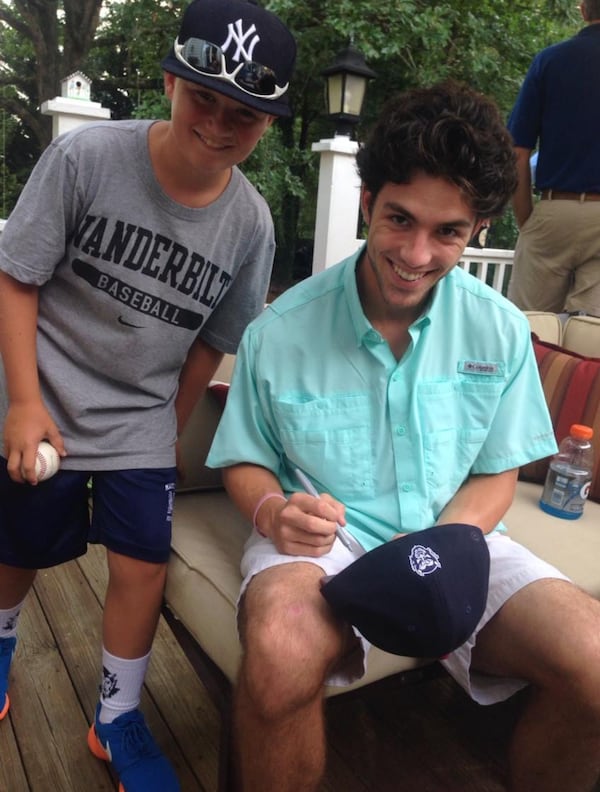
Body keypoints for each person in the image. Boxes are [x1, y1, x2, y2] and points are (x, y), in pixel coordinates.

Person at [206, 80, 600, 792]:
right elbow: (244, 457)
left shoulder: (500, 329)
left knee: (597, 660)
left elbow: (495, 472)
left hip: (456, 533)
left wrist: (437, 549)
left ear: (478, 228)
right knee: (280, 649)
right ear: (367, 204)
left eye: (447, 231)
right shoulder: (279, 331)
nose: (416, 254)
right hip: (326, 545)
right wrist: (272, 512)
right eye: (399, 219)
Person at [0, 0, 296, 789]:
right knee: (18, 546)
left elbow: (214, 339)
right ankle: (0, 653)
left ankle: (116, 716)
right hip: (48, 394)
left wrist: (168, 424)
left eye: (245, 114)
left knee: (141, 566)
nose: (219, 123)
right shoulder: (88, 159)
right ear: (170, 82)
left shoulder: (252, 224)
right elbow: (17, 276)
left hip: (139, 416)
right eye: (204, 97)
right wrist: (23, 403)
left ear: (266, 125)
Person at [506, 0, 600, 317]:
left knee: (527, 330)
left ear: (584, 10)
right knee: (591, 340)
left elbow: (516, 151)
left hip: (555, 206)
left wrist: (527, 220)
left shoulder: (550, 60)